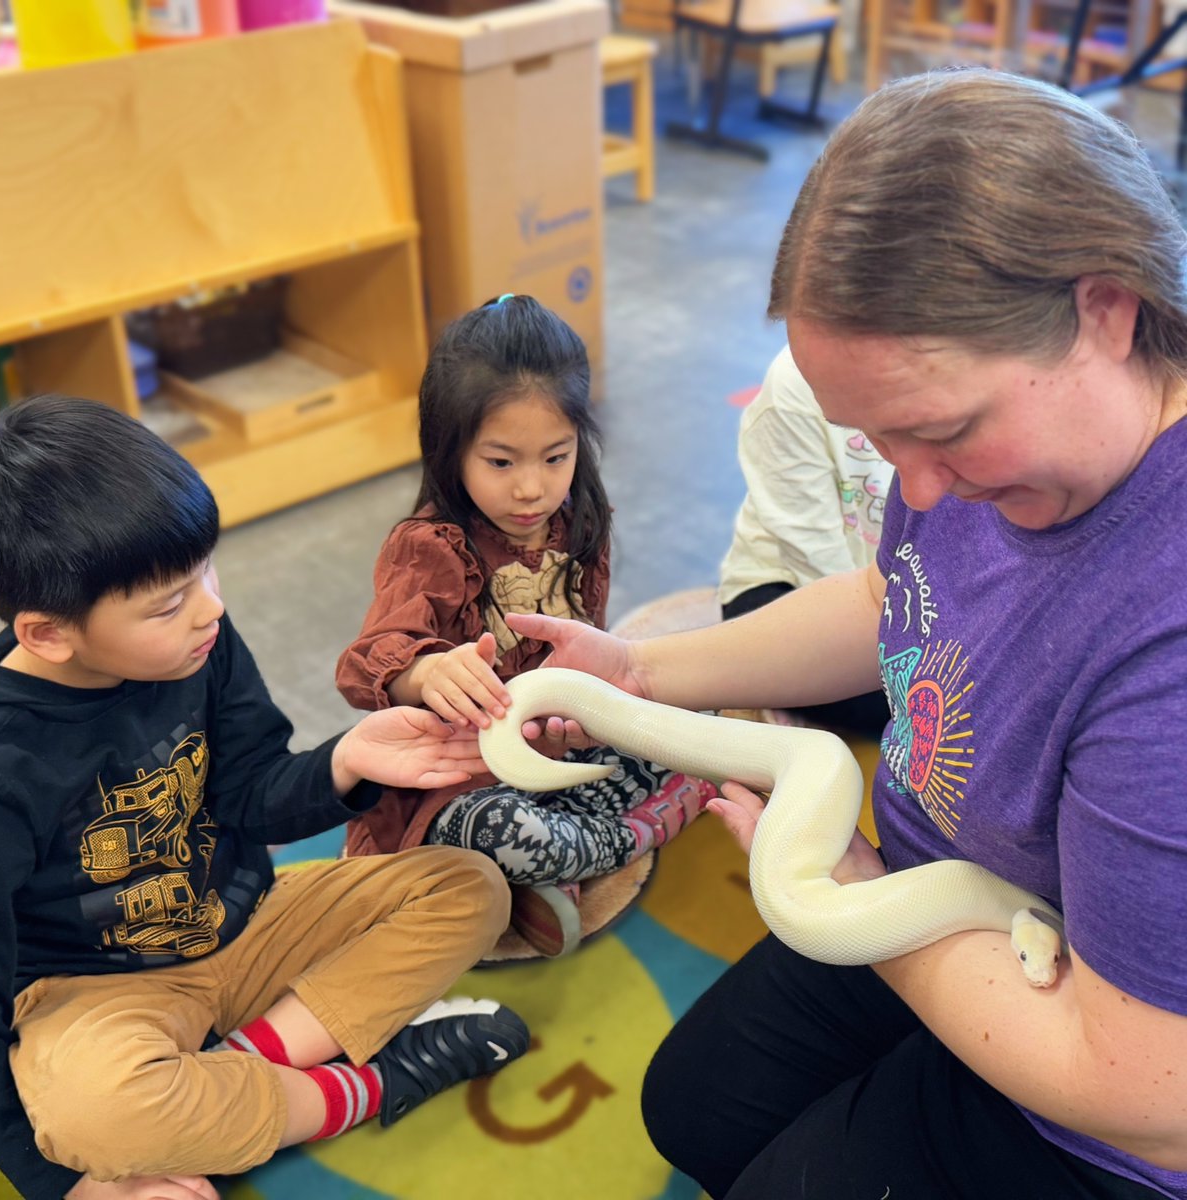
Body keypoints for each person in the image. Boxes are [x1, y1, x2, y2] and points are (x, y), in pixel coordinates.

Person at [501, 69, 1187, 1200]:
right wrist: (642, 675)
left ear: (1104, 310)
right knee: (696, 1113)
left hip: (1111, 1095)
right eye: (877, 439)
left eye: (945, 432)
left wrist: (858, 902)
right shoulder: (992, 464)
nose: (917, 485)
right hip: (937, 897)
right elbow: (896, 594)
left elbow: (1150, 1097)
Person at [0, 396, 531, 1200]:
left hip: (246, 919)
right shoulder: (2, 768)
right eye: (169, 601)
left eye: (206, 567)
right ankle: (360, 1089)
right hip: (92, 986)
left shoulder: (196, 640)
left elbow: (252, 797)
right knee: (93, 1120)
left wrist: (347, 762)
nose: (210, 606)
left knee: (469, 887)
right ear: (48, 635)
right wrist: (58, 1185)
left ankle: (235, 1077)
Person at [336, 294, 716, 958]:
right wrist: (425, 671)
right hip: (461, 781)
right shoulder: (431, 549)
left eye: (556, 457)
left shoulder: (581, 523)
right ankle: (624, 836)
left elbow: (593, 659)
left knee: (685, 697)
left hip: (558, 753)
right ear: (450, 451)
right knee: (495, 831)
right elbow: (367, 662)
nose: (532, 489)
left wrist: (595, 713)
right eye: (502, 462)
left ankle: (558, 863)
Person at [719, 343, 893, 738]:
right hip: (795, 590)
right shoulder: (794, 391)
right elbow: (820, 566)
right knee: (941, 705)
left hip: (906, 604)